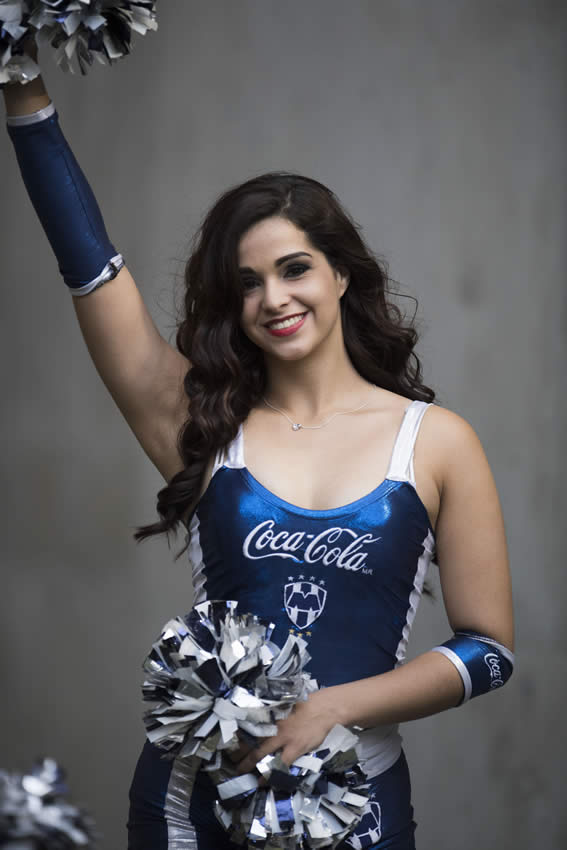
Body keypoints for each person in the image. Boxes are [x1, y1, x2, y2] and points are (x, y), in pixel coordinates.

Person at [3, 39, 514, 850]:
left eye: (294, 269)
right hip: (185, 805)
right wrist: (22, 83)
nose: (272, 298)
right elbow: (89, 267)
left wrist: (331, 707)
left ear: (341, 275)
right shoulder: (204, 425)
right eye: (247, 282)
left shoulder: (437, 441)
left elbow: (488, 652)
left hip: (358, 801)